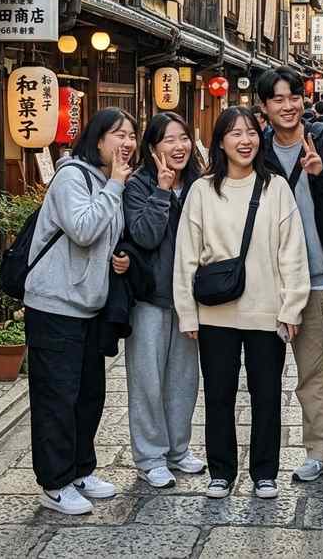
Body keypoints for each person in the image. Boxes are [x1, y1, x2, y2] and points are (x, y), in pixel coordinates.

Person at [173, 106, 311, 500]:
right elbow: (187, 254)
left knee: (266, 394)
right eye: (235, 133)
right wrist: (187, 311)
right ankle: (221, 470)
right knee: (218, 394)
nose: (245, 140)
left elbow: (292, 252)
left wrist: (291, 307)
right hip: (216, 313)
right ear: (220, 141)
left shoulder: (276, 187)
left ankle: (264, 472)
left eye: (251, 132)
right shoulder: (202, 189)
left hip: (267, 312)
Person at [24, 107, 137, 516]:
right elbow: (84, 229)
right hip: (55, 306)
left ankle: (80, 470)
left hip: (89, 306)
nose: (127, 143)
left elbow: (104, 237)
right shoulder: (72, 175)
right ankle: (54, 483)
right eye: (118, 134)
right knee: (57, 396)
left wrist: (118, 259)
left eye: (131, 136)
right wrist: (116, 186)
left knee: (88, 394)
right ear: (97, 138)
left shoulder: (108, 180)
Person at [257, 67, 323, 491]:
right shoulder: (258, 151)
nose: (288, 105)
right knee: (309, 375)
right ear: (264, 107)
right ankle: (318, 451)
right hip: (294, 285)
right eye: (278, 99)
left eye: (294, 96)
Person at [123, 112, 206, 489]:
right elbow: (144, 235)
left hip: (189, 298)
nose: (179, 147)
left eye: (184, 138)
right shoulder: (138, 184)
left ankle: (178, 449)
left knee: (183, 380)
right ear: (153, 147)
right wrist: (161, 189)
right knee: (147, 380)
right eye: (169, 140)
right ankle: (150, 456)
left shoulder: (200, 184)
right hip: (150, 297)